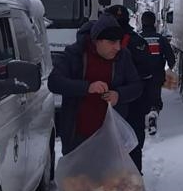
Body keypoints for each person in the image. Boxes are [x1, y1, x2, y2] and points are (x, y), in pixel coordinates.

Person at [48, 13, 142, 156]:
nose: (117, 47)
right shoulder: (75, 54)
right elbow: (54, 82)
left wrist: (119, 95)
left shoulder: (123, 57)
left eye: (119, 41)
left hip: (111, 137)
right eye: (112, 42)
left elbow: (136, 86)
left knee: (108, 178)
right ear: (97, 40)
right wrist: (87, 87)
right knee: (79, 177)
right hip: (77, 136)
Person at [106, 4, 153, 173]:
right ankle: (133, 182)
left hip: (110, 102)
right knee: (133, 142)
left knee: (108, 143)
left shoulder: (102, 42)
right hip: (135, 102)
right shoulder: (138, 42)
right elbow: (148, 75)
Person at [140, 9, 176, 135]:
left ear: (142, 22)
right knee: (155, 99)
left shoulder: (137, 38)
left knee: (141, 98)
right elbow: (171, 58)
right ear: (154, 23)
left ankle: (140, 121)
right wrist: (170, 68)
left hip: (140, 77)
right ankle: (152, 117)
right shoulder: (160, 39)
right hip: (156, 76)